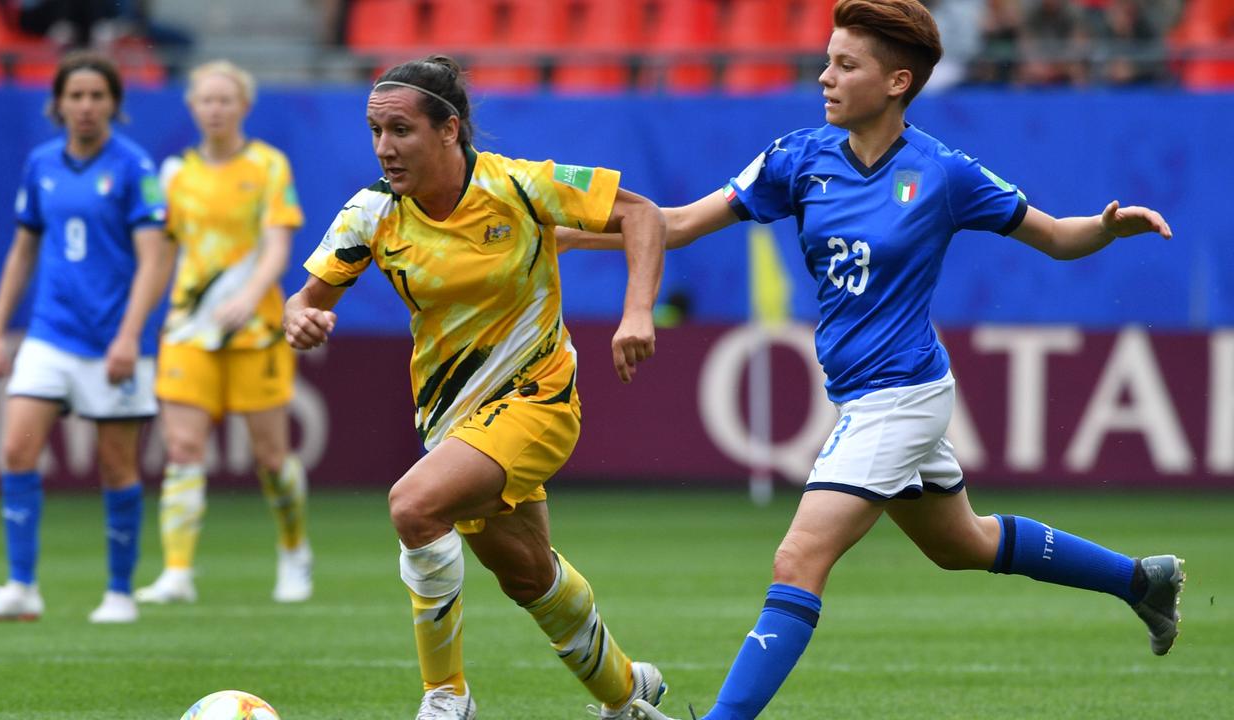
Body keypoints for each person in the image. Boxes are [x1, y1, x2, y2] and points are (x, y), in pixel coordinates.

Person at [559, 2, 1183, 719]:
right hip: (862, 397)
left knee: (798, 561)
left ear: (897, 81)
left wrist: (1106, 227)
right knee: (963, 544)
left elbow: (1055, 237)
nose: (824, 77)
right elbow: (676, 225)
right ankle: (1141, 581)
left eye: (844, 65)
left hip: (903, 397)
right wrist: (581, 236)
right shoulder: (798, 157)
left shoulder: (942, 173)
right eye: (827, 60)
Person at [283, 55, 669, 720]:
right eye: (375, 130)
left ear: (449, 129)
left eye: (400, 130)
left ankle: (445, 697)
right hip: (451, 423)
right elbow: (305, 298)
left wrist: (637, 312)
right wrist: (302, 318)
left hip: (537, 400)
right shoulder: (371, 213)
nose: (384, 147)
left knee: (412, 506)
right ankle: (630, 694)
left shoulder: (521, 186)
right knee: (530, 576)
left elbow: (642, 216)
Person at [0, 50, 173, 624]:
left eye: (97, 96)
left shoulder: (134, 168)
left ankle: (119, 592)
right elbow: (23, 248)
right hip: (50, 332)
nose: (85, 106)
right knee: (15, 450)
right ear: (57, 102)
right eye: (75, 96)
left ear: (114, 104)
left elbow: (153, 259)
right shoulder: (40, 164)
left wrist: (130, 336)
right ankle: (21, 586)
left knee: (116, 468)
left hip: (113, 339)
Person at [133, 60, 313, 606]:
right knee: (183, 448)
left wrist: (249, 294)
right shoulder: (173, 175)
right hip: (189, 327)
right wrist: (137, 322)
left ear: (243, 107)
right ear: (191, 107)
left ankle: (293, 552)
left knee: (271, 458)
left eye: (224, 100)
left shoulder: (267, 166)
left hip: (255, 328)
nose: (215, 109)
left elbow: (277, 245)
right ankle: (178, 572)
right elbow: (161, 257)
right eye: (205, 101)